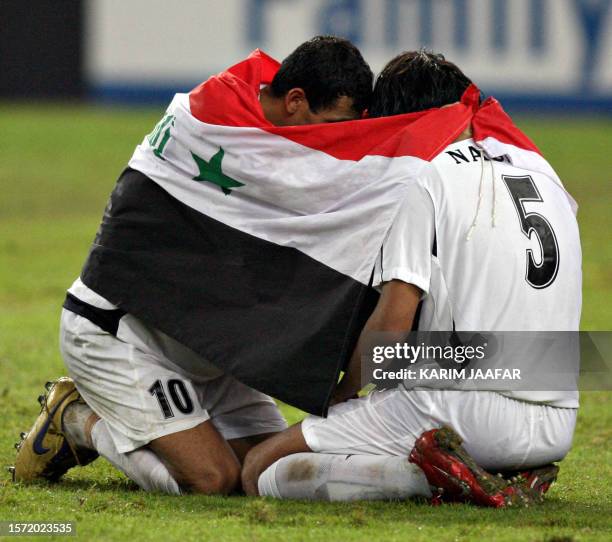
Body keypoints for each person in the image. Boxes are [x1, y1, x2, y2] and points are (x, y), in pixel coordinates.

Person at [12, 36, 374, 495]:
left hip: (208, 347)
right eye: (333, 125)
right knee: (211, 480)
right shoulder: (207, 124)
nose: (337, 143)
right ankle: (77, 419)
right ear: (296, 100)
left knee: (268, 473)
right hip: (120, 333)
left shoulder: (280, 154)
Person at [241, 51, 582, 506]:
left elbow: (394, 320)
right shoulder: (544, 172)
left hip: (466, 407)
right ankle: (497, 470)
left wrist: (343, 394)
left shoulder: (421, 176)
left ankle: (448, 478)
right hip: (559, 418)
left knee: (260, 470)